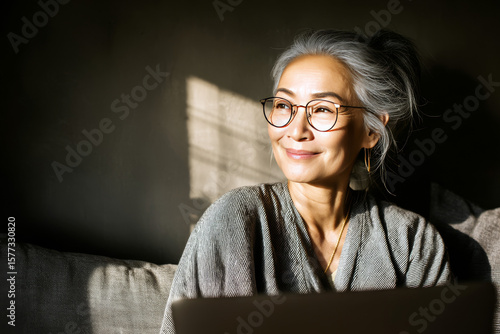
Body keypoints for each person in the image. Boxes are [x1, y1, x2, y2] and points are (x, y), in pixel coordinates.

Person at [159, 29, 451, 333]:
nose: (296, 130)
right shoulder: (235, 221)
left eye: (323, 109)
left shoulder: (412, 242)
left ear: (370, 131)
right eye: (284, 106)